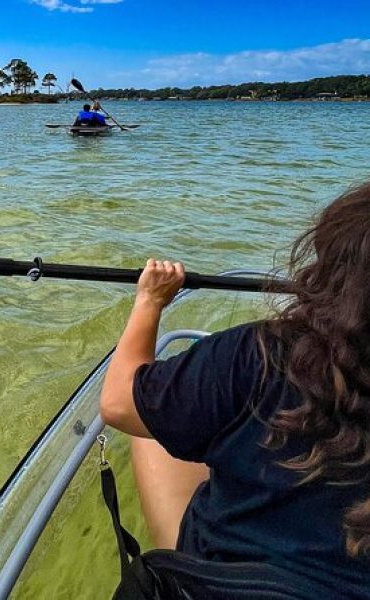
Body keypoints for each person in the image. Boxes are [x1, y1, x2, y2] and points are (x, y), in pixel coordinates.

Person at [100, 181, 370, 599]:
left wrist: (149, 302)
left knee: (153, 423)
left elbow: (118, 404)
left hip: (225, 586)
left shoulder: (259, 353)